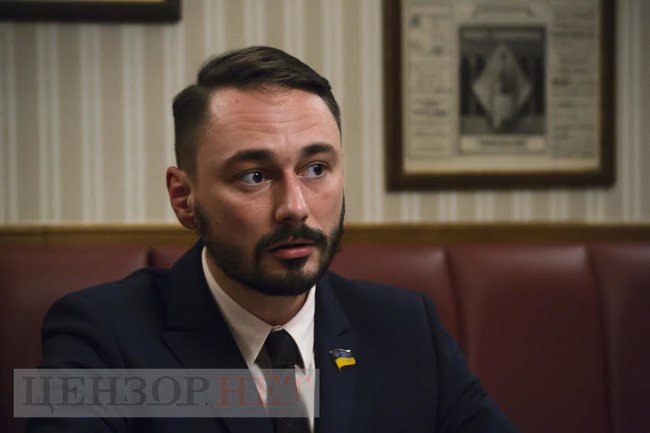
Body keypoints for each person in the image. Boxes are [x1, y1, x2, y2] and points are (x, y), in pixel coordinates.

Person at [27, 46, 518, 433]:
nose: (295, 207)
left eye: (316, 169)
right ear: (184, 197)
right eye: (255, 176)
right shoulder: (98, 335)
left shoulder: (407, 328)